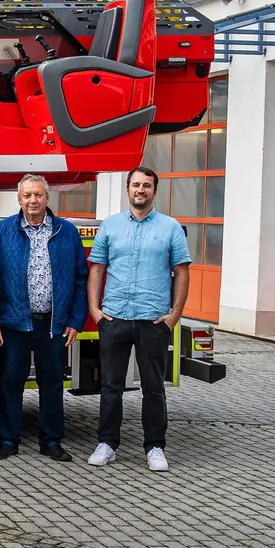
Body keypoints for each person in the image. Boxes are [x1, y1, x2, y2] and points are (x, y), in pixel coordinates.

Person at [86, 166, 191, 472]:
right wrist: (95, 310)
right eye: (135, 185)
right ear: (128, 189)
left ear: (154, 191)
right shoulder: (111, 226)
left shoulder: (171, 228)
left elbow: (182, 274)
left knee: (153, 388)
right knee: (110, 387)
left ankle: (155, 447)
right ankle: (107, 444)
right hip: (114, 317)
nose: (140, 190)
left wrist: (174, 316)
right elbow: (96, 269)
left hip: (154, 320)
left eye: (146, 185)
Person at [0, 174, 90, 463]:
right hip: (14, 323)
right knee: (10, 382)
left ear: (47, 198)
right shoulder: (1, 232)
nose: (33, 200)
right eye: (27, 195)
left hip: (52, 324)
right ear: (19, 200)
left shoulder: (65, 232)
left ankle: (51, 441)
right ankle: (7, 441)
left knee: (52, 384)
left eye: (38, 195)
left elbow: (82, 278)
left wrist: (75, 321)